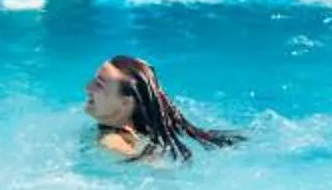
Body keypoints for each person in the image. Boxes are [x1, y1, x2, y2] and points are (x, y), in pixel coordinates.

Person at [84, 55, 242, 162]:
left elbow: (151, 171)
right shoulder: (148, 128)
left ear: (126, 102)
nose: (88, 88)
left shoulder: (109, 141)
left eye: (99, 85)